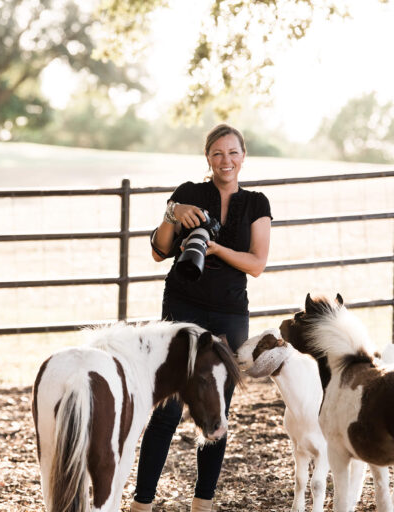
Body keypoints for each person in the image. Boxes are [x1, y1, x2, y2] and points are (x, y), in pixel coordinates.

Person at [131, 124, 272, 512]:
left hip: (229, 313)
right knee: (168, 409)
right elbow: (160, 251)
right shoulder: (188, 193)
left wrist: (215, 248)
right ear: (207, 158)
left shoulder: (257, 203)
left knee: (217, 410)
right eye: (217, 154)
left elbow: (257, 264)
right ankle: (142, 503)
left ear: (243, 156)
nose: (225, 161)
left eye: (233, 153)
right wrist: (171, 211)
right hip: (182, 306)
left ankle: (203, 503)